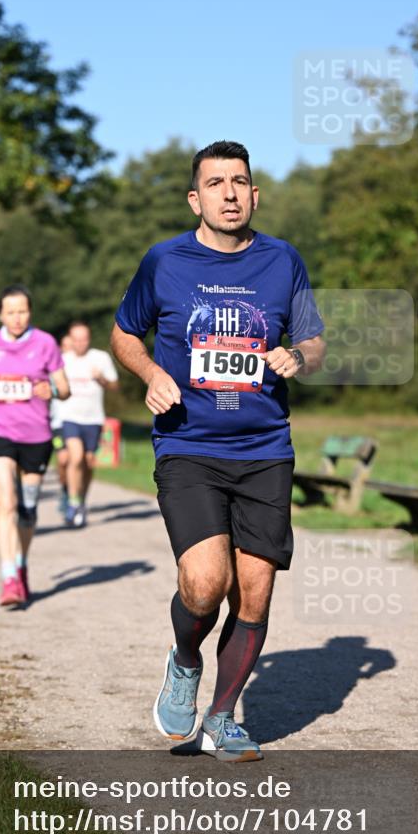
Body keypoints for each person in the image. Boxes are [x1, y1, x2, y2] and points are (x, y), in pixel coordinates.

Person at [111, 140, 326, 762]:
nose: (229, 193)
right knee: (206, 584)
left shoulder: (283, 261)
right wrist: (151, 373)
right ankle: (184, 660)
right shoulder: (164, 261)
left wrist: (296, 356)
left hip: (264, 448)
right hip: (189, 444)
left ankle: (223, 718)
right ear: (195, 197)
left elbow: (313, 344)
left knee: (253, 592)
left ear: (255, 194)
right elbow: (125, 333)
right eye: (215, 183)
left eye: (239, 182)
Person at [0, 284, 70, 607]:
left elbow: (64, 388)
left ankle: (21, 565)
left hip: (36, 436)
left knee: (27, 512)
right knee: (5, 502)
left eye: (22, 311)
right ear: (0, 314)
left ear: (29, 312)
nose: (17, 318)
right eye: (10, 312)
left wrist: (52, 389)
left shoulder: (45, 343)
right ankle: (8, 576)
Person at [57, 321, 119, 527]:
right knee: (74, 456)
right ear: (70, 340)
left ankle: (81, 499)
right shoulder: (62, 360)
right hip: (70, 417)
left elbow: (114, 386)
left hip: (93, 419)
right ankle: (73, 502)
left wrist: (100, 378)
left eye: (83, 339)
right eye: (76, 340)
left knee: (88, 461)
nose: (80, 343)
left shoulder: (100, 358)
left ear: (88, 339)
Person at [50, 334, 73, 514]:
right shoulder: (53, 367)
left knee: (79, 460)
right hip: (57, 421)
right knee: (63, 459)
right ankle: (65, 489)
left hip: (78, 420)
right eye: (65, 346)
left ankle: (73, 494)